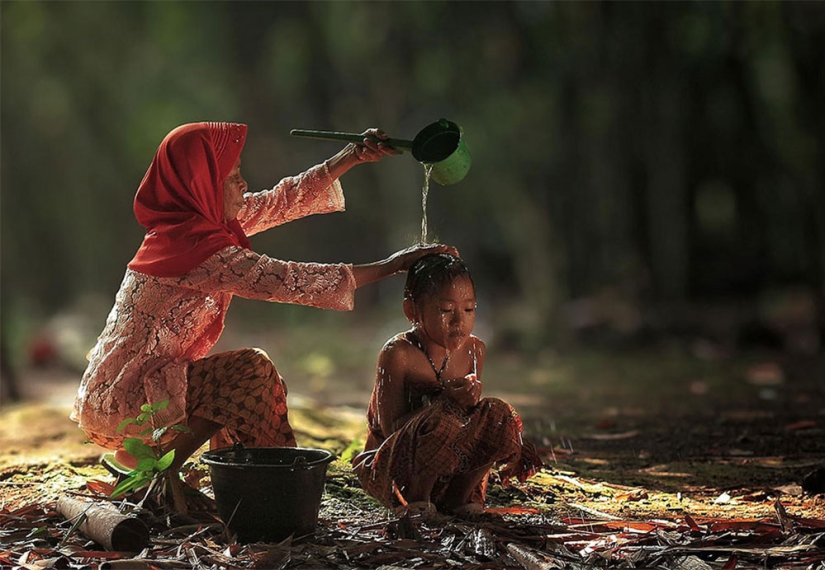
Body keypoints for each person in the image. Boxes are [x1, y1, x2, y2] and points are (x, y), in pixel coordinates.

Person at [70, 121, 456, 511]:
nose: (244, 185)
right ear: (202, 186)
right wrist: (392, 266)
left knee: (260, 386)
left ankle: (224, 484)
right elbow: (288, 280)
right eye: (233, 177)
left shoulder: (193, 224)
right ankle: (197, 478)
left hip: (125, 390)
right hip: (128, 398)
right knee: (250, 373)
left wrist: (353, 155)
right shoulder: (197, 248)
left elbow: (280, 200)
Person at [352, 253, 542, 519]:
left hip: (450, 466)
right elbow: (390, 428)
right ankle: (416, 501)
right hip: (395, 469)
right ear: (412, 311)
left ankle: (459, 497)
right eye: (445, 310)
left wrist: (468, 403)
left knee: (499, 414)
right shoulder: (398, 354)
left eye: (468, 309)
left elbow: (473, 422)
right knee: (446, 419)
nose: (459, 321)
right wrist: (445, 404)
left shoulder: (475, 349)